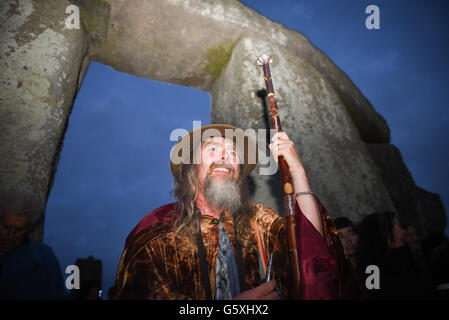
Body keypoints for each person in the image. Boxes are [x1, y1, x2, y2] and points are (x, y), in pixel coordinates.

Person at [114, 124, 343, 300]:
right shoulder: (157, 229)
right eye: (213, 149)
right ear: (191, 168)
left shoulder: (258, 220)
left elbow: (311, 251)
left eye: (233, 153)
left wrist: (298, 171)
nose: (226, 157)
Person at [0, 190, 66, 299]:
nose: (11, 235)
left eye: (19, 230)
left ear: (29, 229)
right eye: (6, 227)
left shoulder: (44, 257)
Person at [357, 211, 434, 299]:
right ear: (379, 234)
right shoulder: (372, 270)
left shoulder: (407, 260)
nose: (402, 231)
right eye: (394, 227)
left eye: (399, 226)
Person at [334, 217, 365, 299]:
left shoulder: (372, 267)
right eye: (341, 236)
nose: (348, 240)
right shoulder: (336, 275)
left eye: (351, 234)